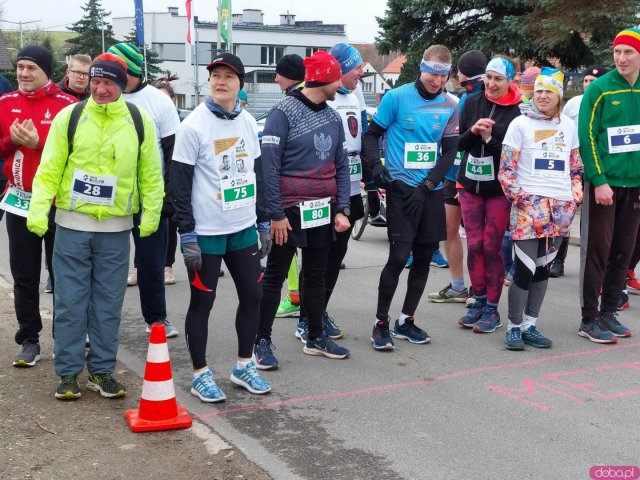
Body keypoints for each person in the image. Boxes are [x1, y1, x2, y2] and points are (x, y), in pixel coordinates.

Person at [26, 53, 164, 399]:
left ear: (121, 84)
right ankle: (68, 373)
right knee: (71, 302)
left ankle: (101, 371)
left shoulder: (138, 119)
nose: (101, 89)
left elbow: (150, 173)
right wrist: (38, 212)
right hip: (72, 226)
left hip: (116, 230)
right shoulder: (69, 117)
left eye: (108, 82)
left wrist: (150, 215)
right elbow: (50, 167)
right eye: (96, 81)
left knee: (108, 303)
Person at [171, 53, 272, 402]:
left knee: (254, 295)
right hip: (206, 232)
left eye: (228, 75)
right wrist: (186, 233)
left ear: (240, 83)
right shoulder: (193, 126)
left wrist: (262, 220)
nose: (221, 81)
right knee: (203, 301)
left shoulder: (247, 121)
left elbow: (256, 173)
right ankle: (200, 373)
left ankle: (244, 365)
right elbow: (179, 186)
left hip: (242, 227)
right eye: (215, 75)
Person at [254, 50, 351, 368]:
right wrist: (275, 214)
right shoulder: (282, 111)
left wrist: (343, 208)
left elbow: (341, 166)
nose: (341, 84)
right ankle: (261, 342)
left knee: (316, 275)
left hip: (323, 209)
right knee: (275, 276)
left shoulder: (333, 117)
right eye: (337, 78)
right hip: (289, 210)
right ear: (323, 78)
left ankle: (315, 335)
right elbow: (269, 166)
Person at [362, 45, 459, 351]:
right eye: (433, 73)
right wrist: (377, 168)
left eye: (443, 75)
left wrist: (430, 184)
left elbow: (450, 150)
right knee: (398, 257)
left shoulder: (449, 104)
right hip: (401, 189)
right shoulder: (397, 97)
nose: (437, 81)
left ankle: (406, 320)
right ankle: (380, 323)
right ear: (422, 68)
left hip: (428, 192)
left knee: (423, 259)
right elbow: (371, 135)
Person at [0, 45, 76, 367]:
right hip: (19, 201)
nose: (23, 74)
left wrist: (39, 144)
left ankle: (65, 338)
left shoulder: (67, 105)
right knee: (24, 275)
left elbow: (77, 156)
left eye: (31, 67)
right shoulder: (5, 103)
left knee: (62, 275)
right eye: (20, 67)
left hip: (57, 204)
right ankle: (29, 339)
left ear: (46, 70)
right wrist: (13, 142)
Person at [499, 67, 583, 350]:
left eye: (548, 91)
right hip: (528, 210)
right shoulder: (519, 124)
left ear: (558, 95)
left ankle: (530, 324)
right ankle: (513, 327)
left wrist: (574, 196)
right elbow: (506, 171)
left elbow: (575, 167)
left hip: (559, 213)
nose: (543, 96)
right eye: (538, 92)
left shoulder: (569, 126)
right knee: (523, 270)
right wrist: (522, 198)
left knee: (543, 271)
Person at [293, 43, 367, 343]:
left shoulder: (356, 92)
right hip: (323, 190)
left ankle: (319, 310)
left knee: (336, 256)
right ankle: (305, 319)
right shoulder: (317, 93)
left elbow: (359, 132)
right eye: (356, 68)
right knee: (316, 257)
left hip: (350, 186)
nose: (361, 73)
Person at [108, 43, 181, 338]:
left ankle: (156, 319)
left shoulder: (158, 102)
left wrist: (167, 198)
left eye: (118, 68)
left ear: (131, 70)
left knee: (151, 263)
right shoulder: (103, 97)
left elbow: (173, 152)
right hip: (109, 197)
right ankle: (101, 322)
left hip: (150, 197)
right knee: (108, 263)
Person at [577, 28, 640, 343]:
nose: (621, 58)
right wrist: (598, 181)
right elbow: (587, 137)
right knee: (597, 251)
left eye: (628, 52)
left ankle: (608, 312)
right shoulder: (599, 89)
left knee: (623, 251)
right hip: (605, 185)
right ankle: (589, 318)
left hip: (636, 186)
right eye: (617, 52)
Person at [456, 56, 522, 333]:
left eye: (498, 79)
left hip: (498, 188)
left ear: (510, 81)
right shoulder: (471, 101)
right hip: (470, 183)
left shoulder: (518, 112)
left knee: (491, 246)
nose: (491, 84)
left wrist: (488, 139)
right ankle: (478, 300)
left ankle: (492, 309)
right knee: (473, 245)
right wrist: (473, 131)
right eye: (488, 77)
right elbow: (459, 145)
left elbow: (512, 158)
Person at [428, 49, 487, 304]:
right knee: (477, 234)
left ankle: (460, 286)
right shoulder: (491, 96)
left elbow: (454, 140)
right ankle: (478, 288)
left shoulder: (462, 100)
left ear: (462, 73)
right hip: (478, 174)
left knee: (453, 231)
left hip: (457, 173)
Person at [549, 65, 608, 278]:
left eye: (593, 82)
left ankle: (592, 264)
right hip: (571, 168)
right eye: (585, 82)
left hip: (596, 169)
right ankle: (557, 260)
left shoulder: (605, 102)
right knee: (566, 215)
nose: (588, 85)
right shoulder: (574, 104)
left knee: (592, 220)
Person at [273, 53, 306, 319]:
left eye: (279, 74)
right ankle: (307, 303)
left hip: (294, 191)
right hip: (318, 189)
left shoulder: (291, 103)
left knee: (287, 246)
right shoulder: (314, 96)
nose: (275, 78)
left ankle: (296, 298)